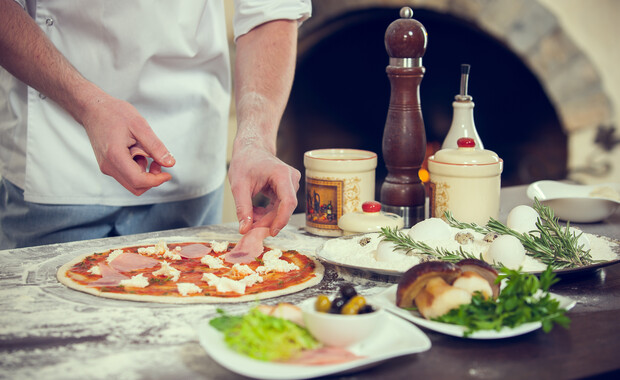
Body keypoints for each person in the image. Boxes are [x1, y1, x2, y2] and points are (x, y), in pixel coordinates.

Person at [0, 0, 309, 249]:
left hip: (188, 147)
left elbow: (271, 10)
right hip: (55, 150)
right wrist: (87, 106)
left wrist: (256, 140)